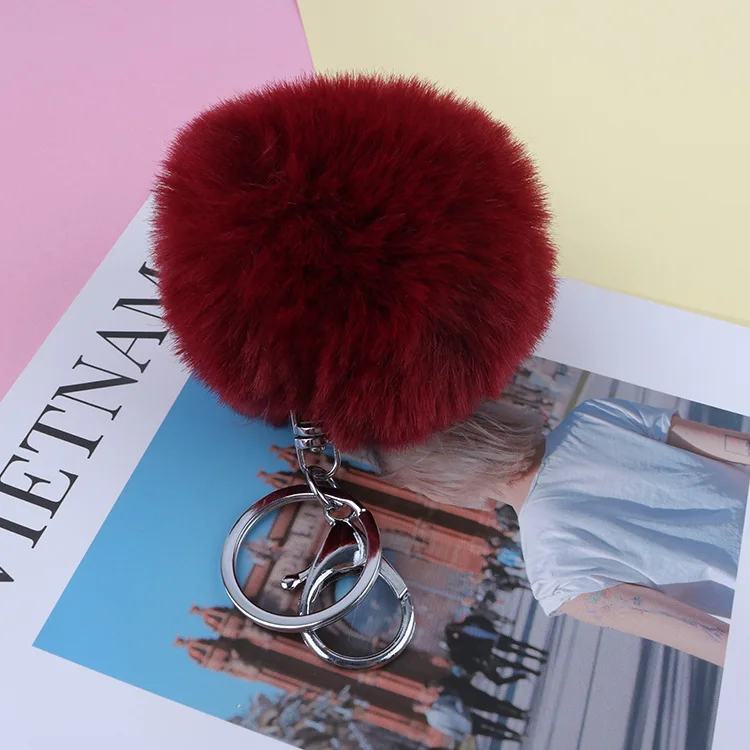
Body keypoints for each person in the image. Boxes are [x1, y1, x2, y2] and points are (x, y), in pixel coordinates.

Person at [366, 398, 750, 668]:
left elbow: (715, 640)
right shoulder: (593, 416)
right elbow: (740, 447)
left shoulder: (553, 573)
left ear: (444, 484)